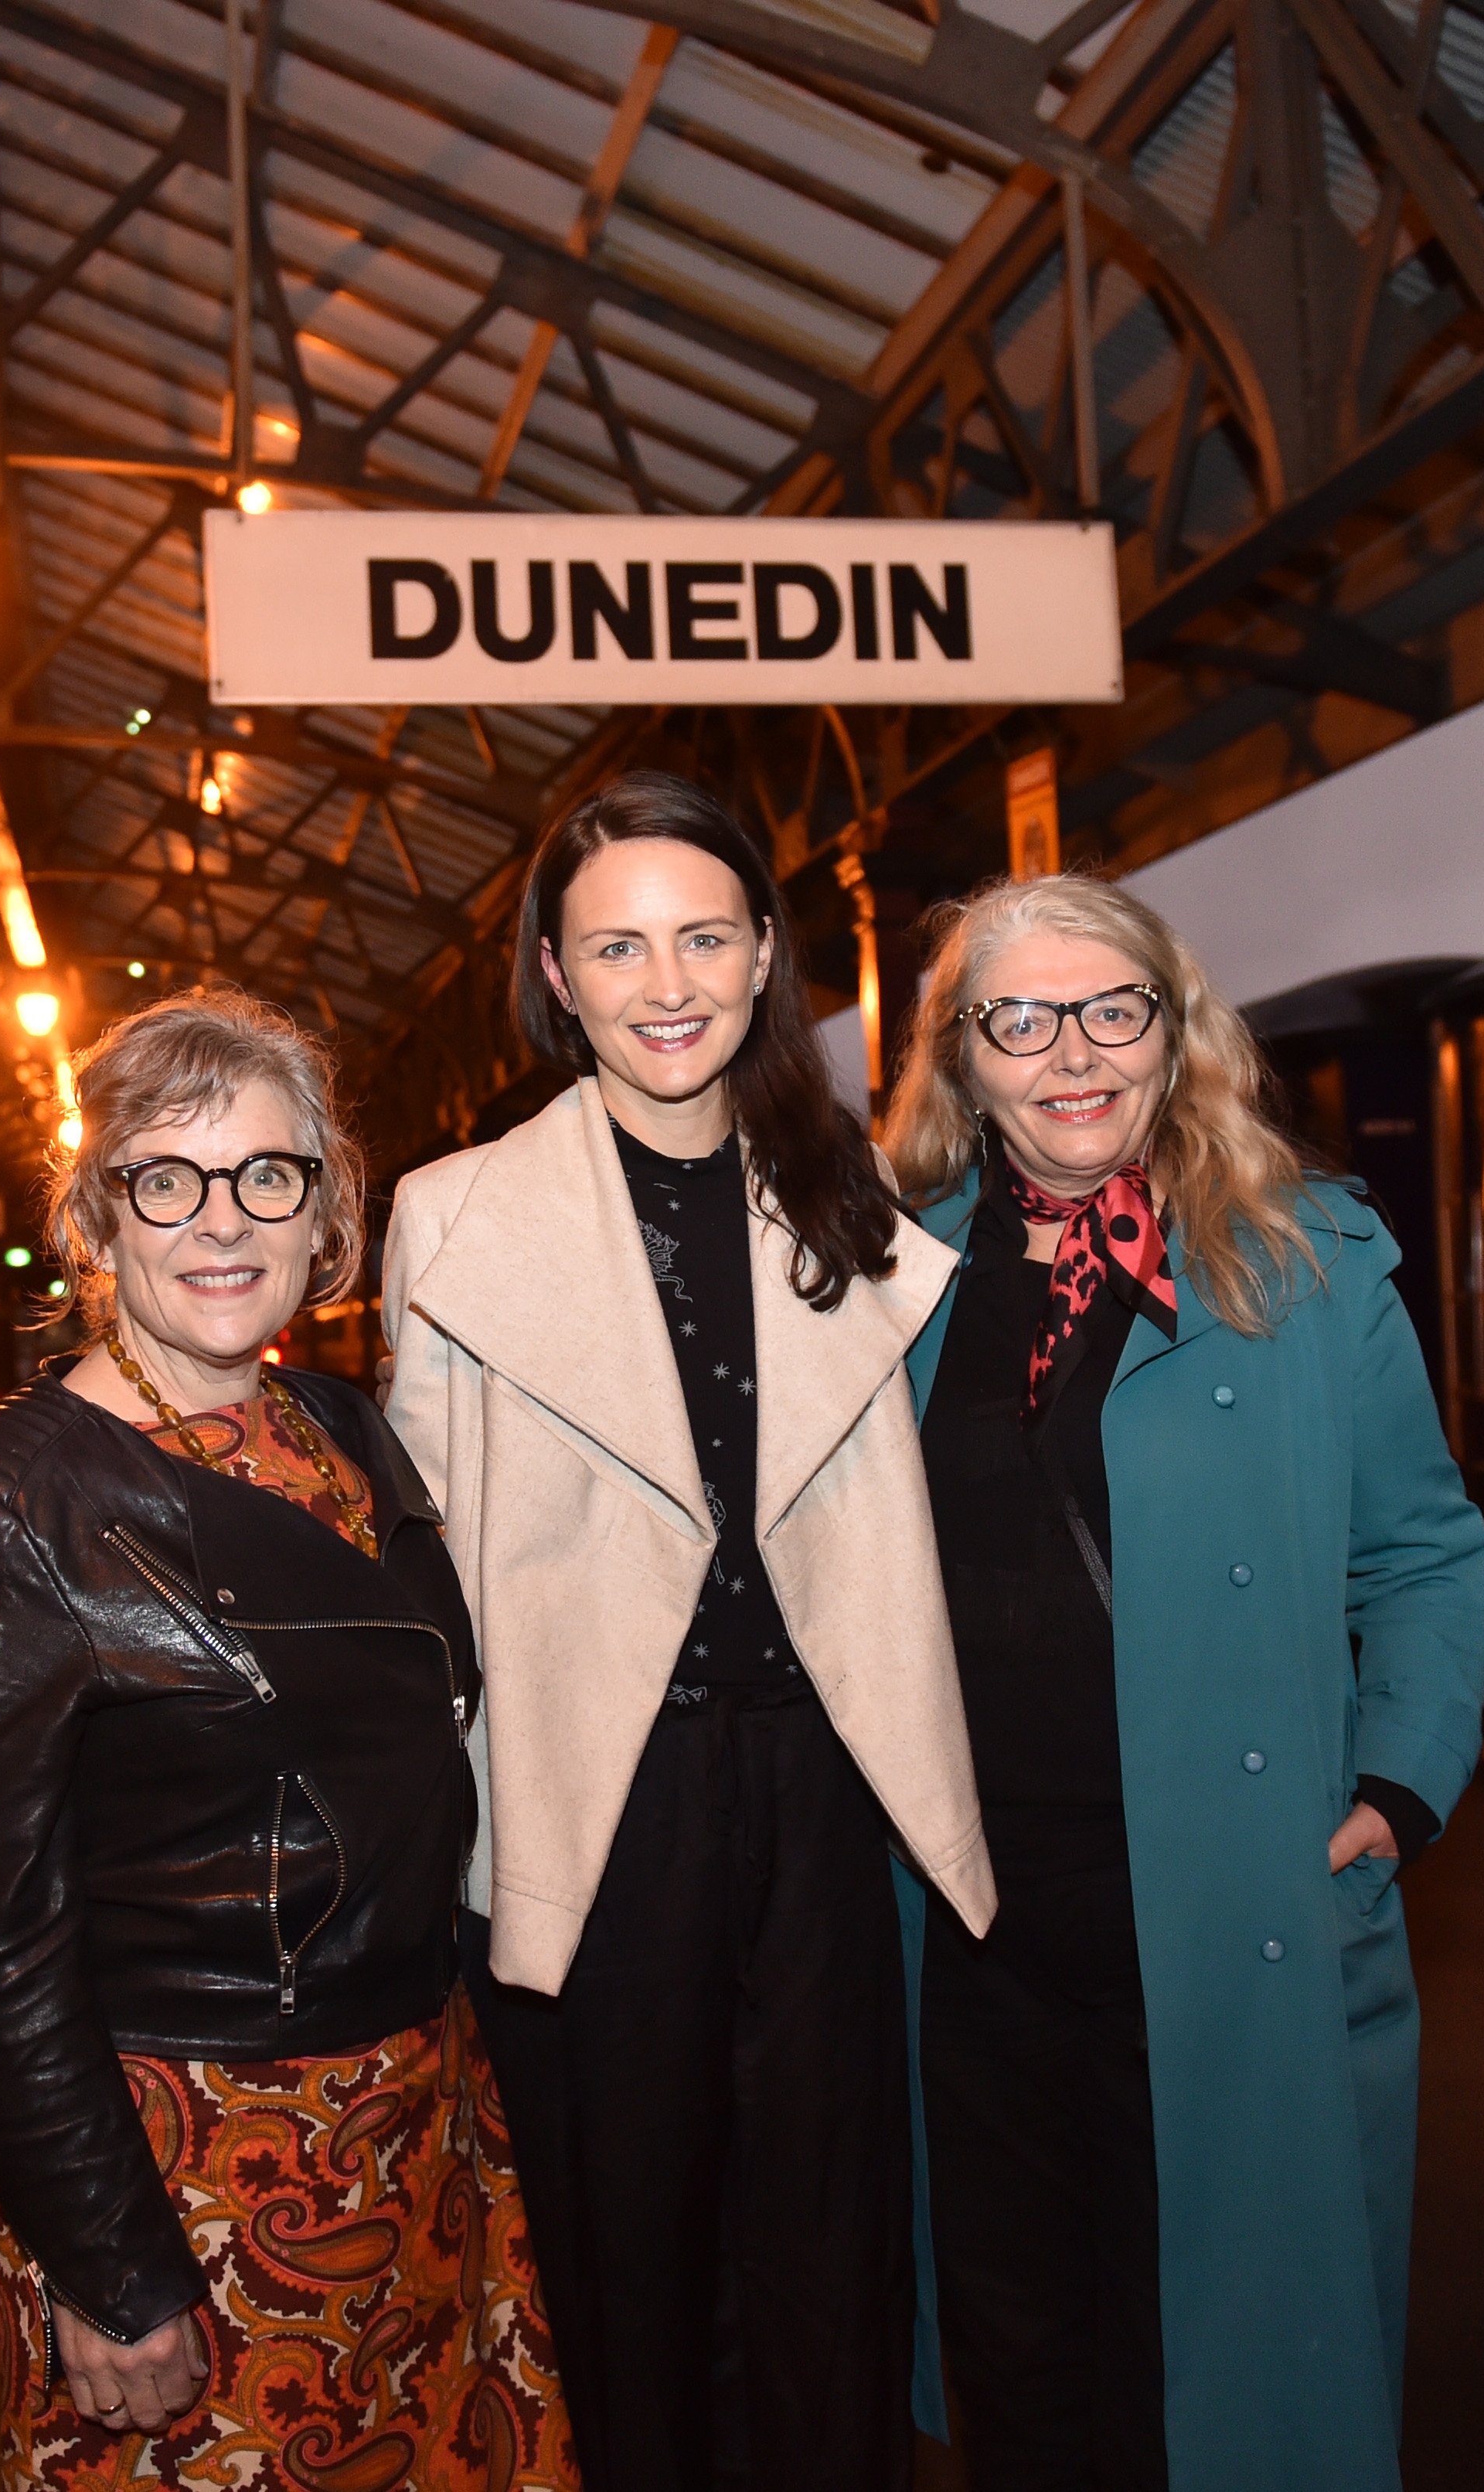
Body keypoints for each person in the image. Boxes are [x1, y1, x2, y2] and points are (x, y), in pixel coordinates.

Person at [381, 771, 995, 2492]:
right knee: (619, 2245)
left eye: (704, 936)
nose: (667, 982)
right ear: (556, 979)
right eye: (620, 946)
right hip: (596, 1796)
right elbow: (426, 1565)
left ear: (761, 956)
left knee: (826, 2236)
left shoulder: (853, 1196)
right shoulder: (452, 1215)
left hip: (822, 1785)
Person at [0, 989, 576, 2492]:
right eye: (164, 1176)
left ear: (323, 1210)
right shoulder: (1, 1504)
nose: (221, 1221)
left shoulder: (341, 1428)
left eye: (268, 1173)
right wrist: (105, 2258)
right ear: (95, 1213)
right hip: (197, 2160)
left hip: (421, 2120)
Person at [871, 875, 1484, 2492]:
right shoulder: (887, 1281)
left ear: (1173, 1028)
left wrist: (1398, 1781)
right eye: (1018, 1018)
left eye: (1109, 1010)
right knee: (1019, 2374)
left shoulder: (1305, 1260)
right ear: (963, 1057)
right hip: (969, 1934)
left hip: (1225, 1914)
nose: (1068, 1054)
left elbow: (1422, 1553)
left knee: (1210, 2381)